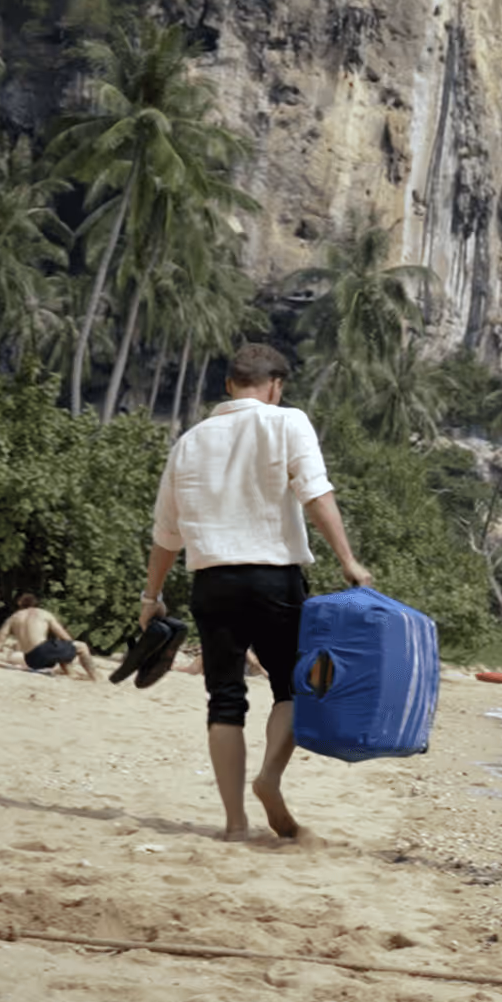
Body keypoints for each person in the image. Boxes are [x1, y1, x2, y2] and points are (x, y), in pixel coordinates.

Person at [139, 343, 371, 842]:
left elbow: (166, 533)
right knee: (291, 686)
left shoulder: (190, 441)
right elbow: (315, 493)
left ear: (229, 384)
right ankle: (269, 777)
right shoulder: (287, 422)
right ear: (276, 386)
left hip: (213, 582)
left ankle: (234, 823)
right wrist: (348, 560)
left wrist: (150, 596)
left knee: (224, 699)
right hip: (274, 577)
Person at [0, 594, 98, 680]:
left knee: (59, 649)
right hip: (43, 651)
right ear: (36, 604)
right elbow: (64, 637)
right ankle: (95, 677)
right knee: (80, 646)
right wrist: (70, 651)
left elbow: (0, 640)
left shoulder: (13, 618)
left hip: (31, 659)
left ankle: (70, 674)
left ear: (20, 605)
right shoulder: (43, 613)